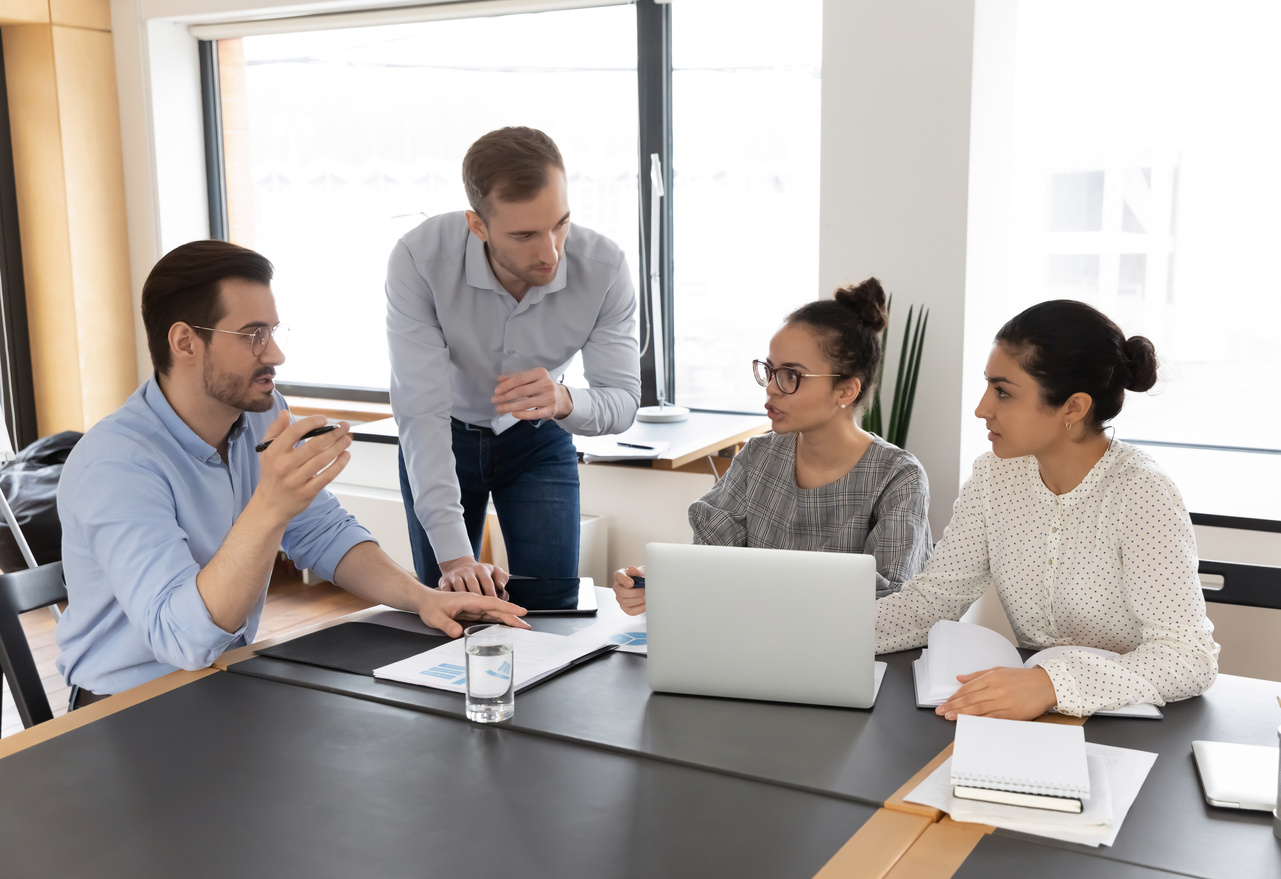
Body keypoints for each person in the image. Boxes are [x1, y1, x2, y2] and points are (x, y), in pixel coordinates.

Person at [55, 241, 527, 703]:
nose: (276, 354)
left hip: (220, 680)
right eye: (253, 334)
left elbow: (320, 530)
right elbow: (184, 643)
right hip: (123, 707)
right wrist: (271, 505)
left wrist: (420, 597)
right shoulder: (115, 466)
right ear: (185, 342)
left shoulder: (259, 413)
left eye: (274, 331)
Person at [874, 300, 1219, 719]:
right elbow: (933, 600)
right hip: (1030, 716)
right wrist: (819, 631)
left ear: (1073, 407)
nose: (982, 408)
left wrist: (1050, 684)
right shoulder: (993, 476)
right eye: (988, 386)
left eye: (1003, 392)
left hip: (1131, 724)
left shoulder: (1141, 492)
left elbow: (1188, 657)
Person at [388, 126, 640, 597]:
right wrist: (457, 557)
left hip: (539, 439)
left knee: (550, 603)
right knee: (451, 606)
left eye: (560, 223)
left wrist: (564, 400)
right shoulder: (419, 258)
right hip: (443, 435)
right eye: (524, 234)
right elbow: (420, 411)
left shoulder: (604, 267)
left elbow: (623, 401)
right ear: (477, 224)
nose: (551, 252)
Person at [611, 278, 934, 615]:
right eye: (770, 370)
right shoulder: (757, 457)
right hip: (748, 647)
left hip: (850, 659)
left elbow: (895, 605)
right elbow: (708, 561)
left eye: (792, 375)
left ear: (846, 391)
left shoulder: (898, 477)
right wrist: (659, 583)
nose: (772, 390)